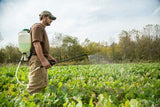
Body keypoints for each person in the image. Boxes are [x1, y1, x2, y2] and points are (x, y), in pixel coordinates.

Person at [27, 10, 57, 94]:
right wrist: (43, 60)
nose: (51, 20)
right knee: (34, 85)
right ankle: (26, 102)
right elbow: (36, 44)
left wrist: (50, 58)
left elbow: (43, 49)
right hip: (37, 59)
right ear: (43, 16)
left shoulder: (42, 28)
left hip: (41, 58)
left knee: (43, 84)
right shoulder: (37, 27)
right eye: (50, 18)